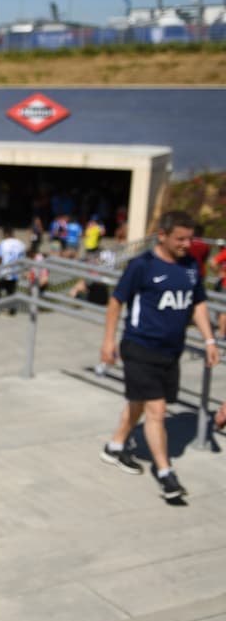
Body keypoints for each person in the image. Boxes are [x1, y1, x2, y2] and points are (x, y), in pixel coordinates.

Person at [98, 210, 220, 501]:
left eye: (190, 239)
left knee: (139, 403)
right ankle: (166, 475)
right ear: (162, 236)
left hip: (171, 351)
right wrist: (108, 342)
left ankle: (115, 447)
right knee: (157, 411)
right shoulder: (142, 266)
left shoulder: (191, 266)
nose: (186, 245)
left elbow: (199, 304)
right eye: (180, 238)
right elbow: (116, 302)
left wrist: (210, 339)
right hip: (140, 347)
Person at [0, 226, 26, 316]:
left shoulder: (2, 243)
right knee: (11, 292)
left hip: (4, 273)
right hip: (15, 273)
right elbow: (23, 259)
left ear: (5, 234)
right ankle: (12, 311)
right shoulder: (21, 244)